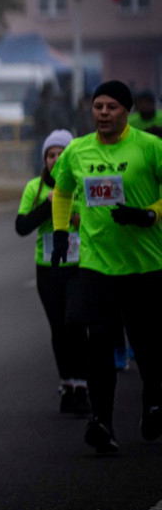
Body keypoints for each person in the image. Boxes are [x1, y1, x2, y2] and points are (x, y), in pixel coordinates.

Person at [49, 81, 162, 453]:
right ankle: (102, 422)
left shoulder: (149, 147)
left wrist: (149, 214)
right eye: (98, 106)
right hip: (97, 264)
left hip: (144, 262)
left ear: (126, 111)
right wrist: (62, 232)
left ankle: (152, 404)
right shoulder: (78, 150)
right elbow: (62, 189)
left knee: (146, 344)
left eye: (112, 106)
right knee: (98, 344)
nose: (103, 113)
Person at [15, 130, 90, 415]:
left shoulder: (82, 184)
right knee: (58, 328)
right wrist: (48, 205)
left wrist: (69, 212)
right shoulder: (35, 187)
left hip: (80, 266)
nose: (56, 160)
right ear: (44, 159)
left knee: (75, 322)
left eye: (61, 154)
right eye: (50, 155)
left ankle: (83, 385)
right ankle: (68, 382)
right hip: (48, 268)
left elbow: (98, 221)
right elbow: (21, 227)